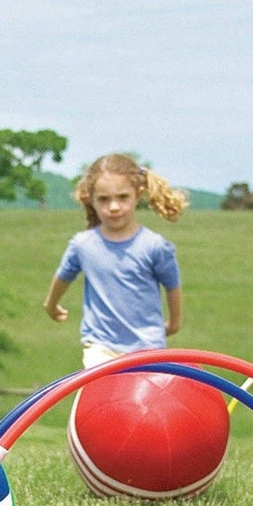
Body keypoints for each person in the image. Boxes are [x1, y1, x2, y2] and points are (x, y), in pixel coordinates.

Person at [42, 152, 187, 368]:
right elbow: (63, 276)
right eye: (104, 199)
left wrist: (174, 323)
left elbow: (172, 287)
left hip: (148, 349)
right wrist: (51, 305)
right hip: (101, 348)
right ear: (91, 199)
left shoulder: (154, 246)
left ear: (137, 195)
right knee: (98, 397)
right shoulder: (83, 245)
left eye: (122, 197)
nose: (114, 207)